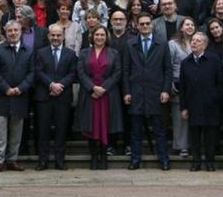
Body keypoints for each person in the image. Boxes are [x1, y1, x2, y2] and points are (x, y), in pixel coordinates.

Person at [123, 12, 172, 170]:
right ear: (137, 26)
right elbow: (125, 70)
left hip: (156, 92)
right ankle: (135, 159)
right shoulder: (130, 44)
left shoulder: (162, 43)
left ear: (152, 25)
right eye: (141, 24)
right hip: (136, 92)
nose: (144, 26)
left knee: (159, 130)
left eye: (147, 23)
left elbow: (168, 70)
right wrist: (127, 91)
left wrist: (166, 90)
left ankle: (163, 159)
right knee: (136, 130)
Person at [0, 20, 35, 173]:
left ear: (20, 32)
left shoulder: (28, 51)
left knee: (17, 132)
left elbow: (32, 73)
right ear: (5, 32)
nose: (13, 33)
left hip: (20, 96)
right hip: (2, 96)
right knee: (0, 131)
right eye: (10, 31)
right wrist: (6, 88)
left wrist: (20, 88)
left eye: (16, 30)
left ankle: (12, 160)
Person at [77, 24, 123, 170]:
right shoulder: (84, 52)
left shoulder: (113, 53)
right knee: (91, 124)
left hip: (107, 94)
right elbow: (80, 72)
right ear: (92, 36)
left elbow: (117, 72)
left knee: (105, 125)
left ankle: (104, 157)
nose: (99, 37)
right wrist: (92, 87)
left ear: (106, 37)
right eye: (97, 34)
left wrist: (104, 88)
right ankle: (93, 157)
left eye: (102, 35)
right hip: (90, 94)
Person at [33, 23, 77, 171]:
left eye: (59, 35)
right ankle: (43, 161)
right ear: (48, 36)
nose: (56, 38)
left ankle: (60, 161)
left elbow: (72, 74)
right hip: (44, 97)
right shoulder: (40, 52)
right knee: (43, 131)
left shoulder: (70, 54)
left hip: (63, 97)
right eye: (53, 35)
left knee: (61, 131)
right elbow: (38, 72)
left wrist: (60, 86)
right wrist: (51, 85)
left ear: (63, 36)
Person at [179, 32, 223, 172]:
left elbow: (220, 83)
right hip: (193, 104)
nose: (194, 43)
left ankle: (210, 162)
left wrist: (214, 97)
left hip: (211, 104)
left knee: (210, 136)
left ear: (204, 45)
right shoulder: (185, 62)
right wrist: (184, 107)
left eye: (198, 41)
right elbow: (183, 87)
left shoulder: (214, 60)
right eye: (192, 40)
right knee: (195, 136)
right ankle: (196, 162)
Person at [168, 16, 195, 158]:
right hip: (178, 84)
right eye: (187, 25)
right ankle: (181, 146)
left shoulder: (198, 42)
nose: (190, 27)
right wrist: (171, 85)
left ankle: (193, 145)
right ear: (181, 28)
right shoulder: (173, 44)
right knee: (180, 118)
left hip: (195, 86)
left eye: (192, 25)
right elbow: (169, 65)